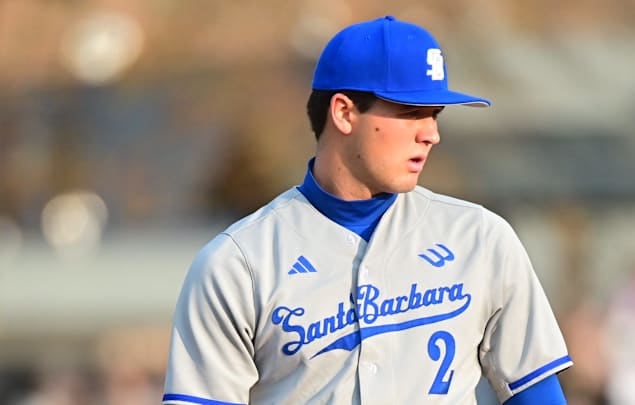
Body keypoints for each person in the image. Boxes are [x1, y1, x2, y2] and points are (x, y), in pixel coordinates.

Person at [162, 15, 572, 405]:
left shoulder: (480, 238)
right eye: (411, 112)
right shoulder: (239, 262)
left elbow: (535, 391)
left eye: (434, 114)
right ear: (343, 112)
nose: (431, 134)